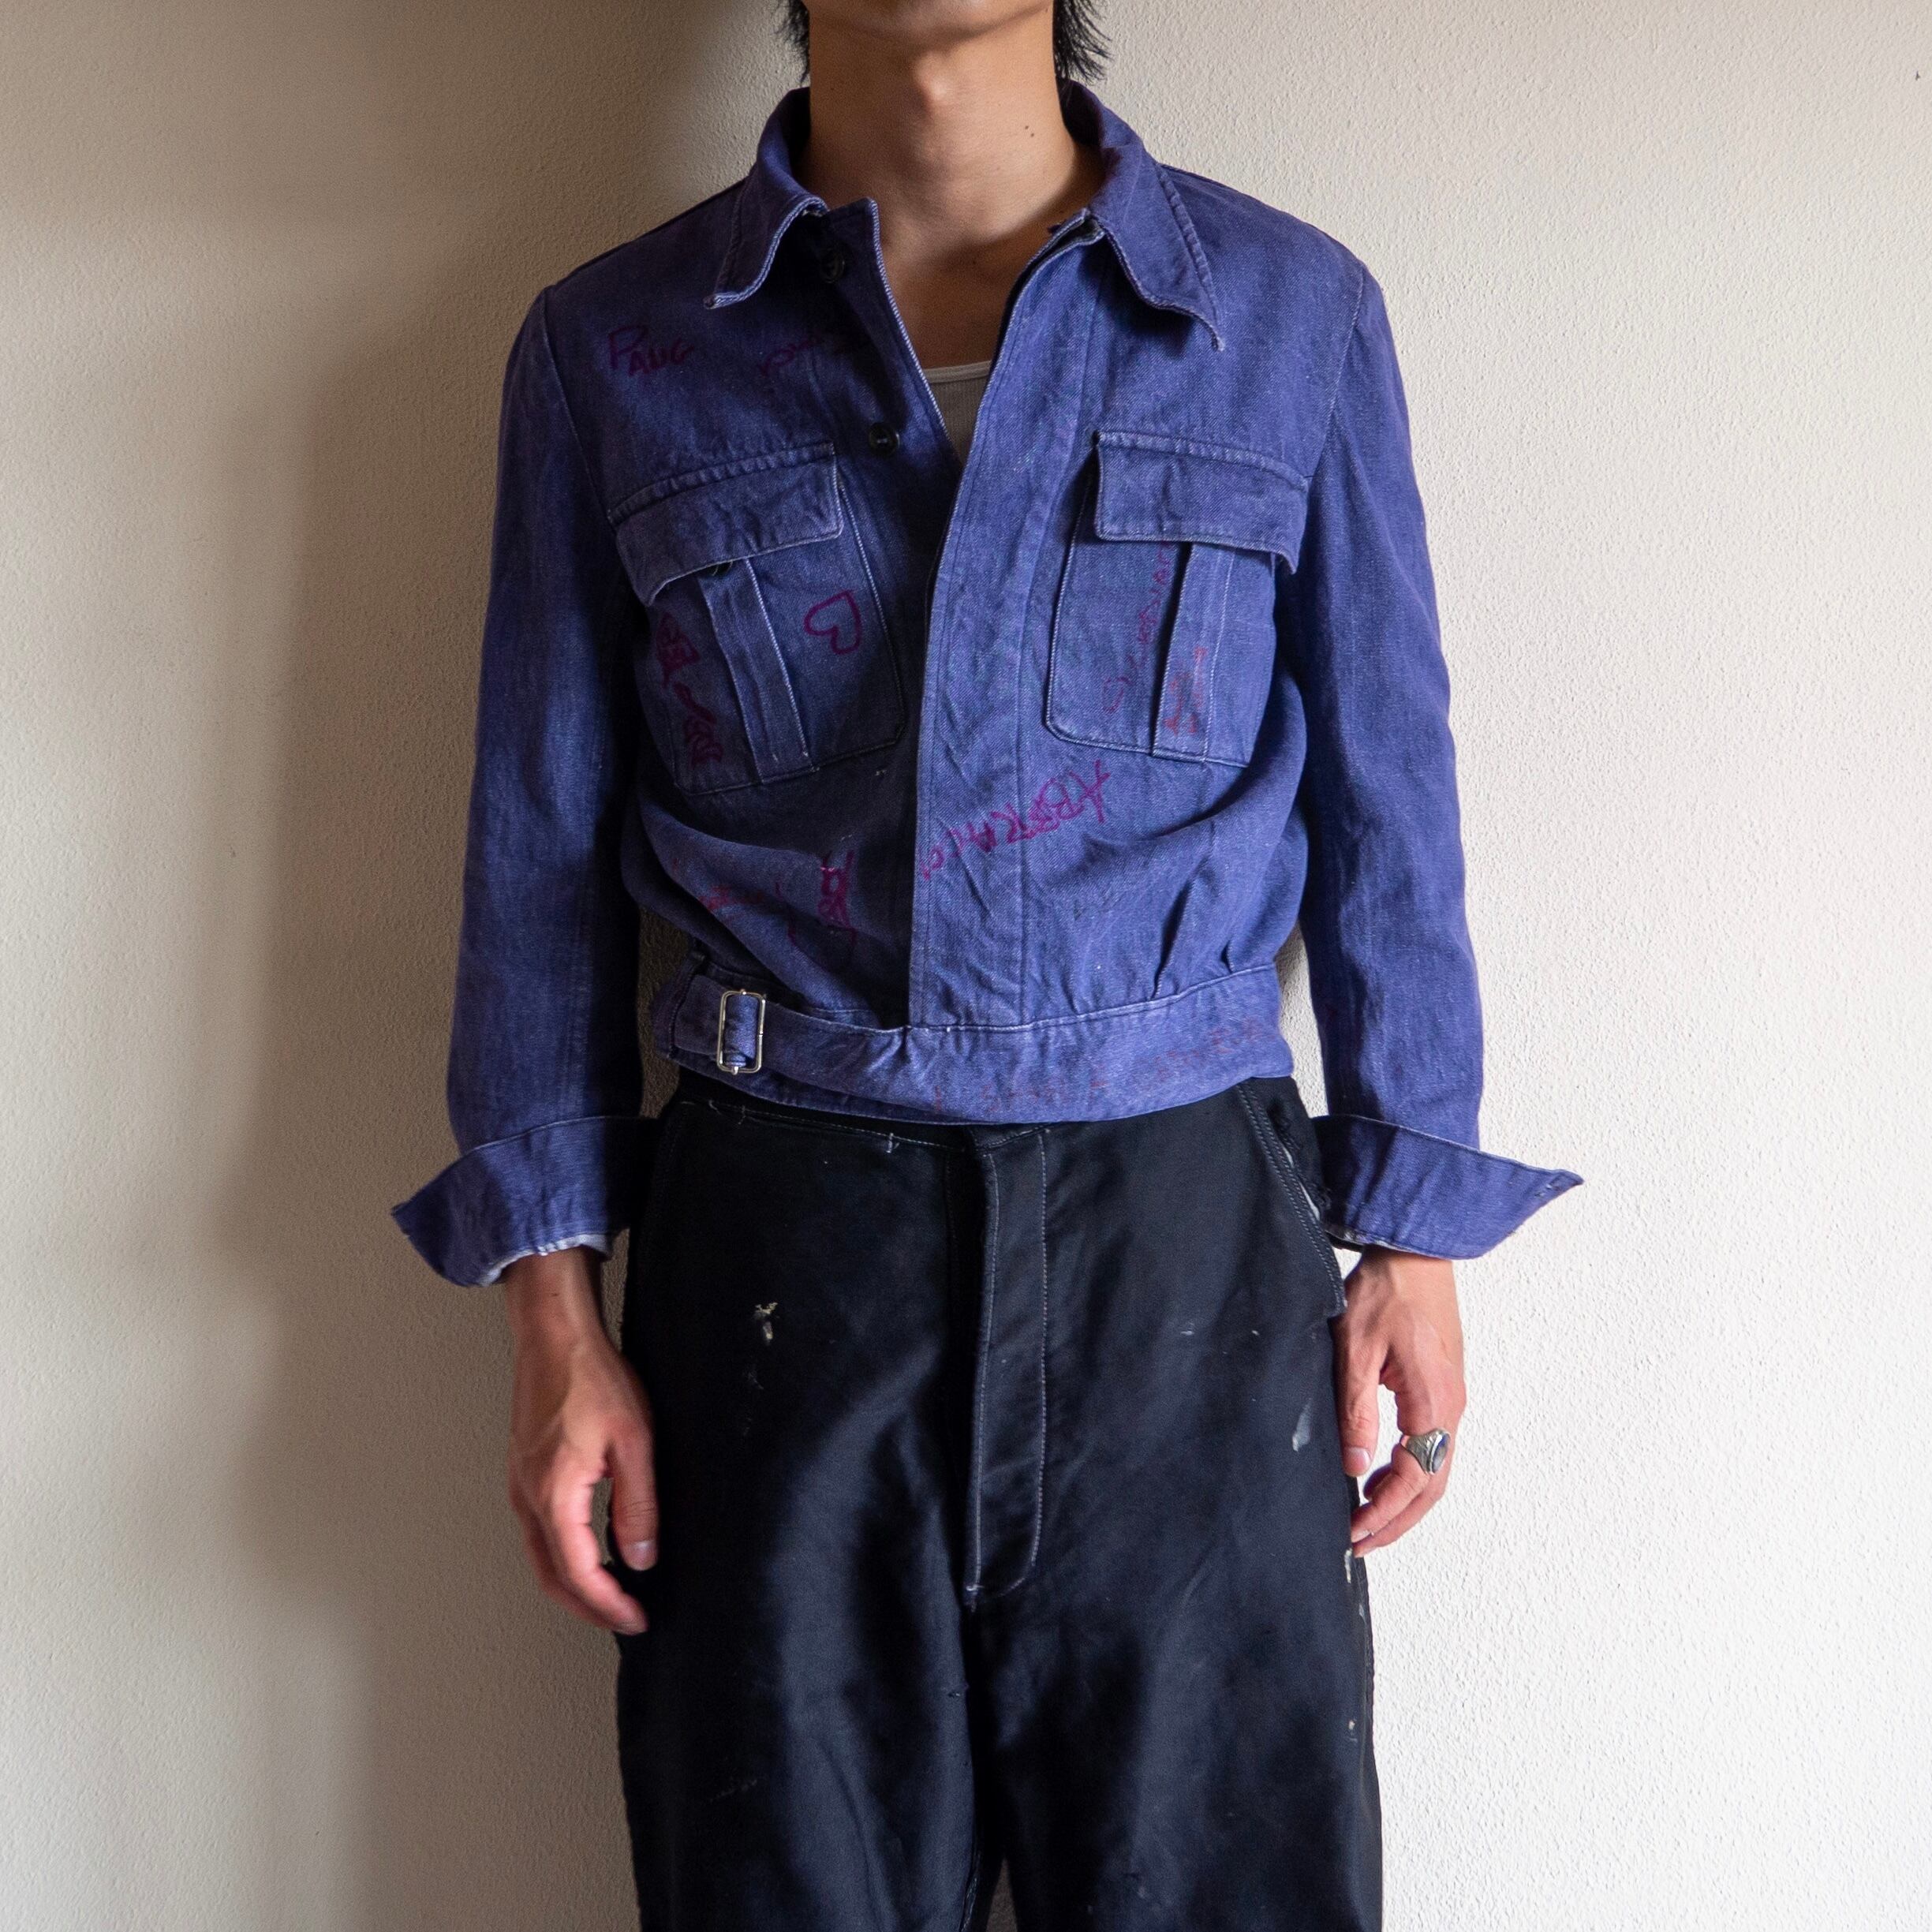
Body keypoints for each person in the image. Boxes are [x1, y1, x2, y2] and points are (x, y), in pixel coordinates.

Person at [393, 3, 1579, 1926]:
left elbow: (1391, 792)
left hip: (1187, 1254)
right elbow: (534, 853)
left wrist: (1412, 1233)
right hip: (778, 1262)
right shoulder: (614, 350)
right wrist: (554, 1315)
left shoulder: (1286, 319)